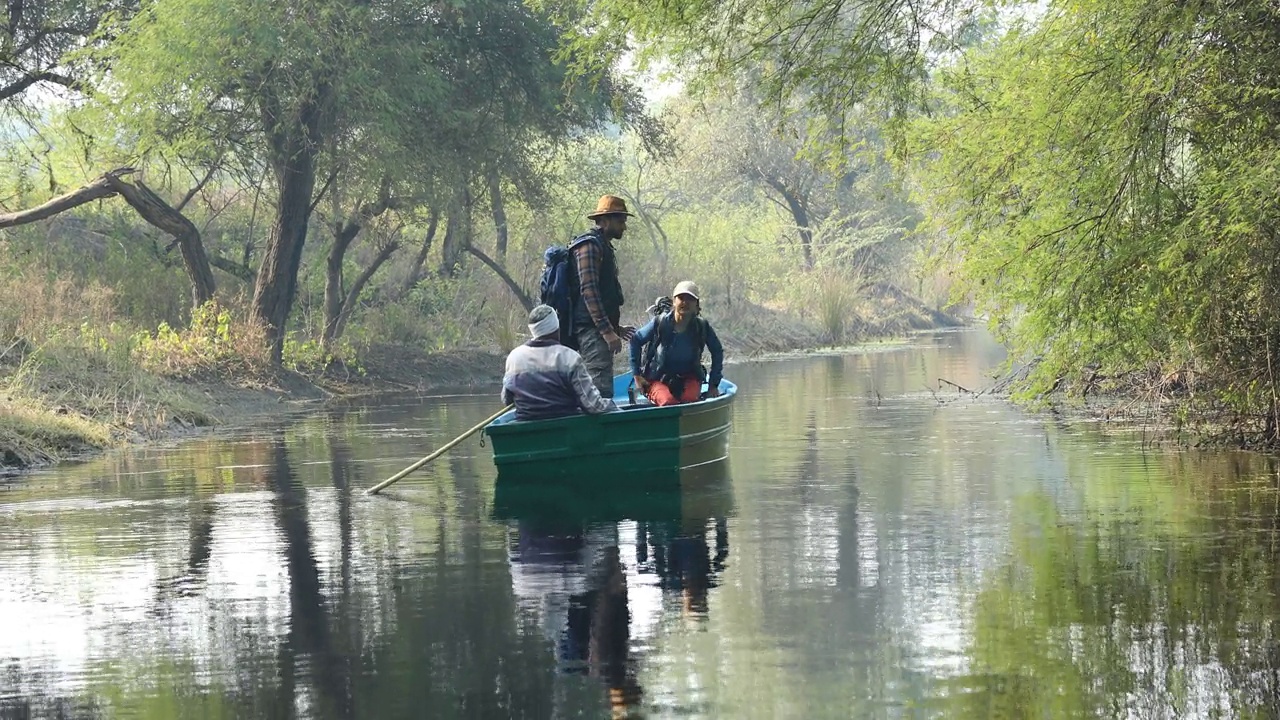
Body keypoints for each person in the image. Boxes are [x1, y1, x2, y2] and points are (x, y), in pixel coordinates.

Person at [501, 305, 617, 421]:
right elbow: (593, 406)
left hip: (526, 423)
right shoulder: (569, 357)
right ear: (556, 327)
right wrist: (612, 406)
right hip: (565, 426)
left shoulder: (514, 357)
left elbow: (507, 399)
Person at [571, 195, 637, 397]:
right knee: (599, 391)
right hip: (591, 331)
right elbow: (589, 291)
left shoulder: (603, 246)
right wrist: (607, 332)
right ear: (605, 220)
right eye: (620, 221)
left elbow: (604, 292)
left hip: (598, 329)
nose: (624, 227)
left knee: (599, 388)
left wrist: (616, 328)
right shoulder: (589, 247)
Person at [629, 281, 725, 407]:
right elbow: (635, 340)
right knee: (668, 402)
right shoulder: (660, 323)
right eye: (681, 298)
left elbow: (717, 351)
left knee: (689, 401)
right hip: (658, 378)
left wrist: (713, 385)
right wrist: (637, 375)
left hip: (689, 376)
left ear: (697, 304)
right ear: (674, 301)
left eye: (690, 299)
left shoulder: (702, 326)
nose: (685, 302)